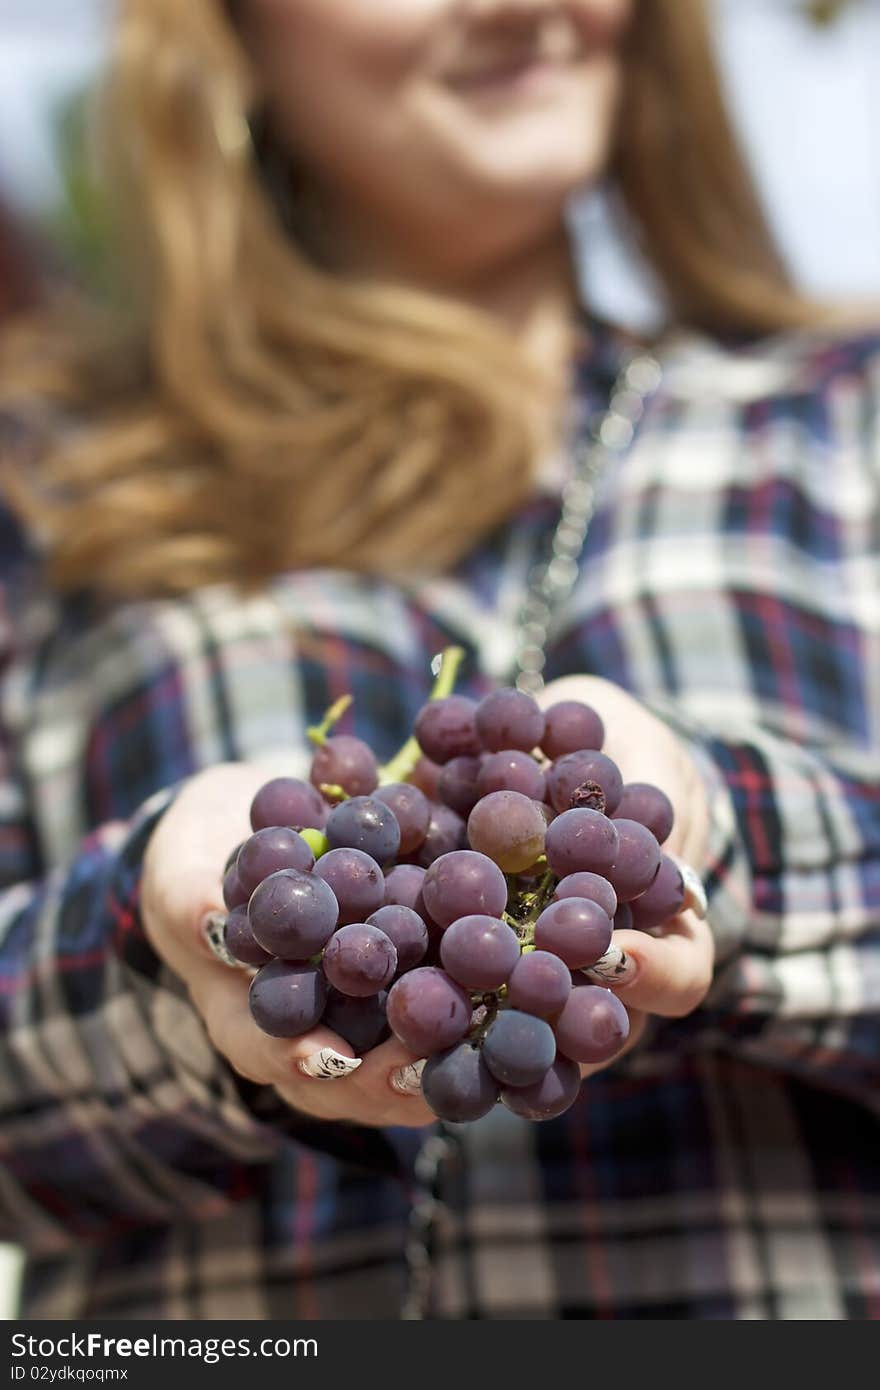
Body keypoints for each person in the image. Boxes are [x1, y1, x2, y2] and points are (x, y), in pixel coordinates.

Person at [0, 0, 877, 1321]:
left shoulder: (846, 422)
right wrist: (145, 954)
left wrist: (740, 840)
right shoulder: (45, 495)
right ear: (230, 32)